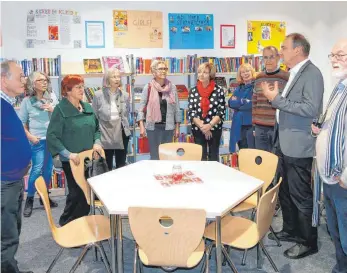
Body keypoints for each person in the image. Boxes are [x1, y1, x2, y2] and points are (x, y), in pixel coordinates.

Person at [262, 33, 324, 259]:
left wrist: (275, 100)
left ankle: (308, 241)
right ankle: (290, 229)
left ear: (297, 50)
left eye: (284, 48)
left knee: (300, 196)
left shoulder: (313, 74)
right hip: (284, 141)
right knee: (286, 191)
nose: (281, 52)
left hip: (298, 146)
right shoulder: (295, 73)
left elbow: (311, 109)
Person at [47, 75, 103, 227]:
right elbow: (52, 136)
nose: (82, 89)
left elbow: (96, 129)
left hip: (90, 159)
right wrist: (67, 154)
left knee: (88, 193)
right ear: (68, 90)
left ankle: (82, 224)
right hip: (72, 161)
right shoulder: (60, 110)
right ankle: (67, 223)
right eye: (78, 87)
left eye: (82, 86)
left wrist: (97, 143)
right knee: (76, 193)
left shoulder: (87, 107)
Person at [314, 38, 347, 273]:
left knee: (345, 233)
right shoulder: (340, 86)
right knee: (335, 230)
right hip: (330, 174)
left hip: (342, 180)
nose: (335, 60)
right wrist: (321, 128)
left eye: (341, 55)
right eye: (332, 55)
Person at [1, 61, 33, 273]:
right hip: (5, 181)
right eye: (20, 76)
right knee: (7, 233)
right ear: (4, 79)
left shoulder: (7, 103)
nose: (25, 80)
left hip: (12, 179)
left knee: (12, 226)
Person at [19, 71, 59, 218]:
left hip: (51, 139)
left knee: (48, 169)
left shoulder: (52, 98)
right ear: (32, 84)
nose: (44, 82)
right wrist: (29, 136)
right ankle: (29, 199)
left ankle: (44, 197)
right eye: (40, 80)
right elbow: (21, 123)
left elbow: (61, 116)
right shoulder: (27, 102)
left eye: (45, 80)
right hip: (37, 140)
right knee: (36, 169)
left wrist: (53, 109)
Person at [137, 60, 180, 160]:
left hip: (168, 127)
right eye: (160, 69)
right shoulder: (148, 87)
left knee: (167, 156)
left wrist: (177, 127)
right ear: (153, 72)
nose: (163, 71)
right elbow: (141, 109)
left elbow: (177, 109)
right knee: (155, 156)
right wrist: (142, 127)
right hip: (153, 128)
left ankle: (165, 175)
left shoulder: (172, 87)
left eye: (165, 69)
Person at [92, 68, 131, 170]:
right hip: (105, 133)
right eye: (114, 77)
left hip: (121, 132)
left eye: (118, 76)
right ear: (107, 79)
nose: (117, 79)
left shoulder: (125, 95)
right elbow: (94, 116)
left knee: (121, 165)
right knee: (106, 165)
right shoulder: (98, 95)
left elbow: (127, 114)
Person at [253, 46, 289, 152]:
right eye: (265, 57)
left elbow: (289, 102)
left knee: (276, 160)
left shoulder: (286, 77)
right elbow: (254, 102)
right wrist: (254, 125)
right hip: (260, 127)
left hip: (277, 127)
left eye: (271, 57)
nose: (268, 61)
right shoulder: (259, 77)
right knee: (261, 160)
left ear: (278, 58)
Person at [188, 62, 225, 161]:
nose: (201, 75)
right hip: (198, 129)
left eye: (205, 72)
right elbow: (191, 112)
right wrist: (203, 127)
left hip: (215, 129)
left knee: (214, 157)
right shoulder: (193, 91)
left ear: (210, 74)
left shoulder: (219, 90)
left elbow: (221, 111)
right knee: (201, 158)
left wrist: (209, 125)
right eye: (199, 72)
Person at [228, 63, 256, 153]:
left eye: (247, 71)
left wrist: (238, 102)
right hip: (239, 125)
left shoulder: (256, 87)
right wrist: (243, 101)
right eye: (242, 72)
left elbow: (252, 104)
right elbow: (230, 103)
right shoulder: (239, 88)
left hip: (251, 125)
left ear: (251, 72)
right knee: (242, 151)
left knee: (251, 153)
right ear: (240, 75)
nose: (245, 74)